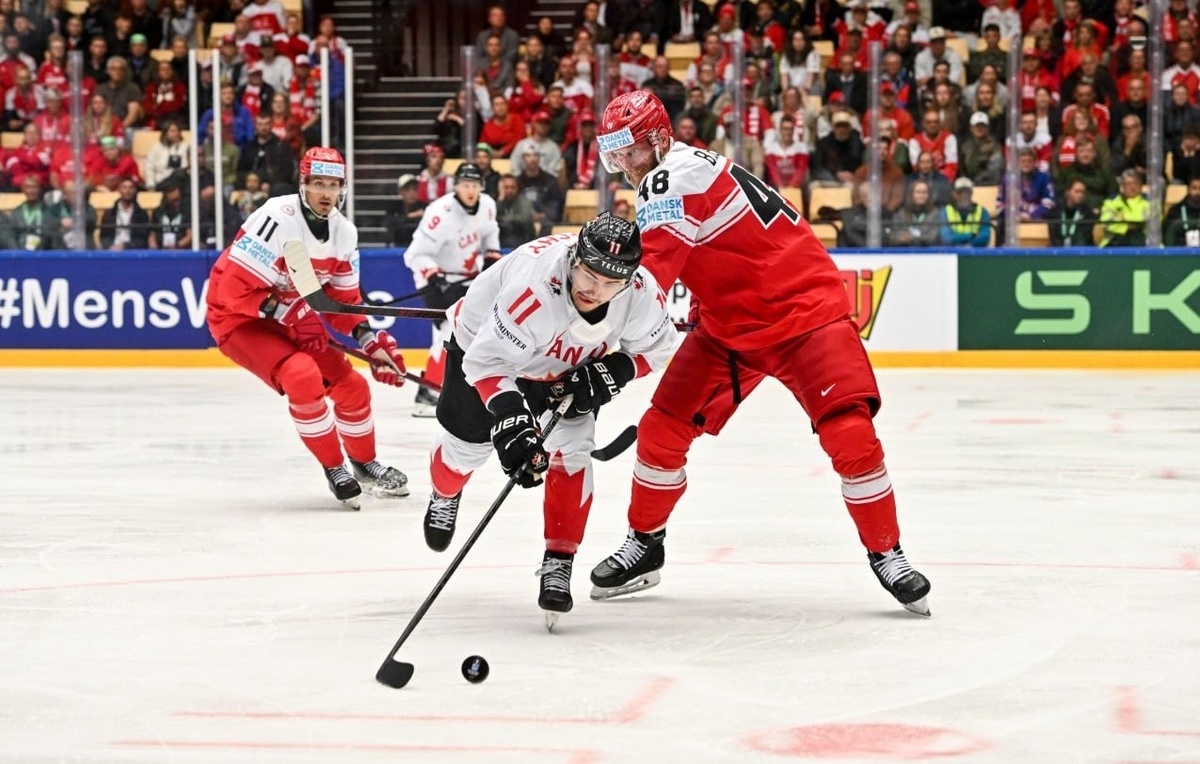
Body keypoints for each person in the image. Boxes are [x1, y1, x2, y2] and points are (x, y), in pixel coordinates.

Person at [592, 90, 931, 615]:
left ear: (659, 138)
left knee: (851, 435)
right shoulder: (680, 169)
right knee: (662, 431)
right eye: (614, 154)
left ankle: (887, 552)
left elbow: (648, 280)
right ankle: (645, 544)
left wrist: (588, 337)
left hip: (806, 318)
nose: (622, 165)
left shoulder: (669, 178)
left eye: (630, 150)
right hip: (731, 330)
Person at [420, 213, 680, 622]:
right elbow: (487, 363)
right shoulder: (535, 288)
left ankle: (559, 562)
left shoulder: (641, 292)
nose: (597, 290)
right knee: (465, 452)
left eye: (612, 282)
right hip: (484, 352)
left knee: (573, 451)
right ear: (574, 257)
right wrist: (510, 418)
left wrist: (618, 370)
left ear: (630, 279)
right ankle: (445, 494)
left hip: (566, 369)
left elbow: (661, 348)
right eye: (590, 275)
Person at [205, 147, 411, 509]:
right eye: (318, 183)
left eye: (333, 185)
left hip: (293, 316)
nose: (326, 193)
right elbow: (230, 292)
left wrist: (371, 341)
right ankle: (335, 469)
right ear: (303, 185)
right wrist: (287, 309)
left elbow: (340, 305)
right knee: (301, 375)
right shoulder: (277, 217)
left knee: (354, 388)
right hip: (239, 320)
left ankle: (364, 464)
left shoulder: (345, 233)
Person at [403, 162, 502, 417]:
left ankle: (453, 388)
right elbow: (413, 255)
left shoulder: (488, 205)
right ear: (455, 186)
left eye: (475, 185)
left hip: (469, 279)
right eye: (465, 185)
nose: (470, 190)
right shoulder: (440, 213)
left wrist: (491, 258)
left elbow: (491, 234)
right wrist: (434, 276)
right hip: (437, 280)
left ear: (481, 186)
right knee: (449, 331)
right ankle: (428, 392)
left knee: (478, 330)